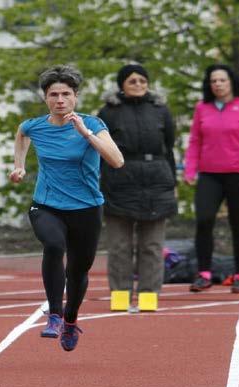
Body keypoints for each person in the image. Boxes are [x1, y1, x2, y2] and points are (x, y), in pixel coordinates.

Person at [10, 65, 124, 351]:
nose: (60, 100)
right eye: (53, 95)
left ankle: (70, 319)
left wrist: (86, 134)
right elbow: (22, 134)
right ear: (45, 98)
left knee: (78, 270)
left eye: (66, 94)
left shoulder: (93, 125)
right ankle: (54, 315)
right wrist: (19, 166)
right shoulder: (34, 125)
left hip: (86, 208)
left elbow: (117, 161)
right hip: (47, 205)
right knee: (53, 244)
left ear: (75, 97)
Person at [97, 64, 177, 312]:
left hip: (156, 181)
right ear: (122, 84)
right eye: (132, 81)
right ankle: (120, 297)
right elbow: (100, 148)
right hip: (119, 180)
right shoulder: (108, 112)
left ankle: (148, 297)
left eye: (142, 80)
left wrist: (171, 182)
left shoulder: (161, 110)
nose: (138, 85)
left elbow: (169, 146)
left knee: (152, 245)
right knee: (120, 245)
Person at [184, 64, 239, 294]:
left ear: (231, 82)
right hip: (210, 175)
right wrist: (190, 169)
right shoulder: (203, 108)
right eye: (213, 81)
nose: (218, 84)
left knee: (238, 225)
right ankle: (204, 274)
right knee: (204, 221)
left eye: (222, 80)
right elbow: (195, 141)